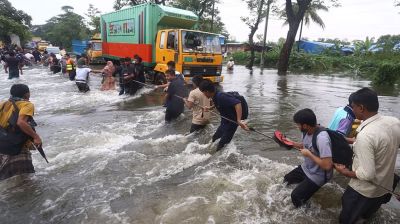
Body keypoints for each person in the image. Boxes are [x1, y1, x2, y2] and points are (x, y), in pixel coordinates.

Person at [333, 87, 400, 224]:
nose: (352, 110)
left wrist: (345, 172)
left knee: (346, 219)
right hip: (384, 187)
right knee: (365, 216)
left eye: (353, 107)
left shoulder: (366, 135)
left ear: (361, 108)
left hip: (363, 192)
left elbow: (367, 174)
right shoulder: (394, 122)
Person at [283, 108, 333, 208]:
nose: (297, 126)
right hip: (307, 168)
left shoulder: (322, 138)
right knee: (287, 180)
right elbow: (305, 145)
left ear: (305, 125)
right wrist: (291, 143)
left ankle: (306, 213)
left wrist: (309, 155)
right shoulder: (306, 131)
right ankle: (305, 191)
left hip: (319, 175)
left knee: (296, 196)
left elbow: (328, 165)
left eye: (298, 124)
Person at [0, 84, 42, 180]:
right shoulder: (27, 104)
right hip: (17, 148)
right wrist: (36, 137)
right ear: (27, 95)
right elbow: (21, 122)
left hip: (2, 148)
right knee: (25, 182)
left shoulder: (3, 104)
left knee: (7, 180)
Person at [199, 79, 249, 150]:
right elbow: (220, 104)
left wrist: (238, 120)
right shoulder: (214, 95)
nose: (203, 94)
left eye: (203, 92)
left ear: (207, 91)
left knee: (221, 146)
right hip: (224, 122)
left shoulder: (221, 96)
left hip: (232, 123)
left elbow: (237, 103)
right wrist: (210, 108)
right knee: (214, 139)